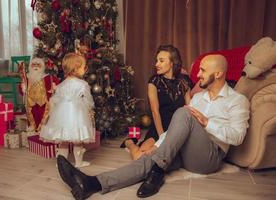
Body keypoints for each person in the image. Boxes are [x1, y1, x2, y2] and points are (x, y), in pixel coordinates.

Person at [56, 54, 250, 199]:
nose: (198, 74)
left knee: (183, 113)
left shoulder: (237, 100)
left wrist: (207, 123)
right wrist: (160, 145)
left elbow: (238, 137)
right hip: (179, 143)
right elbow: (171, 123)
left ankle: (155, 167)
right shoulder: (196, 96)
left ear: (218, 73)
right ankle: (91, 183)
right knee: (149, 157)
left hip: (209, 158)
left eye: (203, 71)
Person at [120, 45, 192, 160]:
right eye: (157, 60)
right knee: (139, 157)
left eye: (161, 61)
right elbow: (155, 111)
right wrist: (162, 137)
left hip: (178, 128)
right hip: (160, 126)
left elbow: (190, 109)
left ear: (172, 62)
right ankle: (129, 142)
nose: (156, 64)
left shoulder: (184, 81)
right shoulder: (154, 81)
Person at [40, 53, 95, 168]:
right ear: (76, 69)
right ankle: (78, 163)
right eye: (83, 67)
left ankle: (61, 163)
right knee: (78, 140)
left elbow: (56, 99)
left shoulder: (61, 84)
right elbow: (88, 100)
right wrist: (89, 108)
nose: (85, 69)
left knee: (63, 141)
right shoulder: (83, 84)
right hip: (77, 114)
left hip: (62, 115)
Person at [19, 58, 59, 132]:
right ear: (30, 67)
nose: (36, 67)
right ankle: (33, 129)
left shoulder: (47, 77)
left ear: (42, 67)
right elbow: (22, 90)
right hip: (31, 103)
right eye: (34, 65)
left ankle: (42, 130)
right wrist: (23, 87)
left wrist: (54, 86)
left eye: (38, 65)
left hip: (43, 103)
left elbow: (55, 82)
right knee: (33, 117)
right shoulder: (27, 78)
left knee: (43, 116)